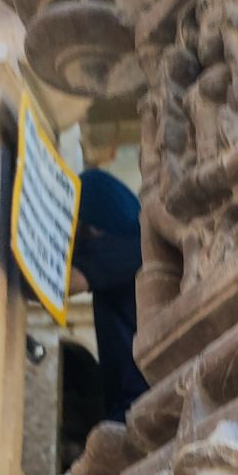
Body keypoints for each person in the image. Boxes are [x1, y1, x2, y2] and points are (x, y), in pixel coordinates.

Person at [70, 168, 149, 424]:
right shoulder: (137, 244)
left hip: (138, 402)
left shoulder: (127, 245)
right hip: (134, 399)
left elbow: (63, 282)